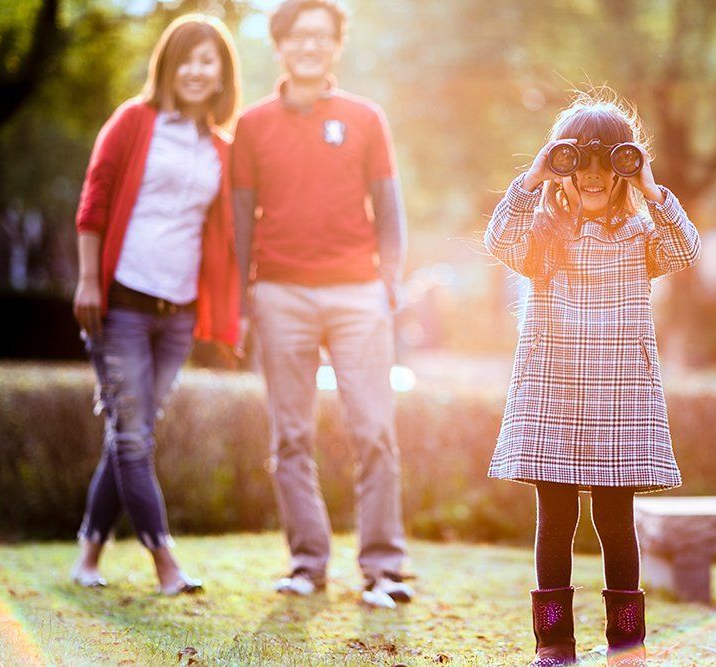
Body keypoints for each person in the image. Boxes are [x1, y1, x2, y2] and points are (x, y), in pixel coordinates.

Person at [484, 90, 702, 666]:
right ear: (562, 168)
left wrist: (654, 192)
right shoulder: (543, 233)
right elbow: (496, 240)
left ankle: (626, 642)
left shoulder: (637, 238)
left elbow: (685, 248)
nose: (594, 177)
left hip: (618, 400)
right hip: (554, 396)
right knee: (554, 521)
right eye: (578, 163)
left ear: (626, 171)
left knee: (616, 523)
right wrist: (532, 177)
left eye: (609, 164)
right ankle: (553, 644)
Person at [231, 0, 412, 606]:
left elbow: (389, 209)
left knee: (375, 429)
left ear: (336, 46)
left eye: (321, 36)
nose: (309, 46)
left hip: (358, 294)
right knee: (289, 434)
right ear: (279, 45)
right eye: (297, 36)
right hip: (280, 293)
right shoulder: (252, 127)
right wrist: (244, 297)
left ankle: (384, 567)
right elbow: (240, 222)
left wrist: (389, 279)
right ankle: (307, 564)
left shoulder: (366, 118)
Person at [70, 15, 241, 596]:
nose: (197, 71)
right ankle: (166, 564)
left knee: (130, 432)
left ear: (221, 74)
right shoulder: (133, 122)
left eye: (208, 61)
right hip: (120, 303)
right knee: (134, 436)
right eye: (186, 59)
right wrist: (89, 281)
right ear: (168, 66)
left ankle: (87, 556)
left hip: (178, 315)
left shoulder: (221, 147)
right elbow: (92, 205)